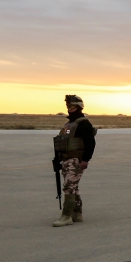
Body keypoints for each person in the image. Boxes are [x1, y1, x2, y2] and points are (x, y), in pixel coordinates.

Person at [52, 95, 97, 227]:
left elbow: (90, 143)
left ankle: (66, 216)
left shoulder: (83, 124)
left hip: (76, 160)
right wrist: (58, 158)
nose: (70, 109)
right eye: (68, 106)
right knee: (73, 187)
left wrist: (86, 160)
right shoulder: (69, 124)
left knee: (69, 187)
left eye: (72, 106)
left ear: (79, 107)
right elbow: (62, 142)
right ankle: (76, 214)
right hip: (66, 159)